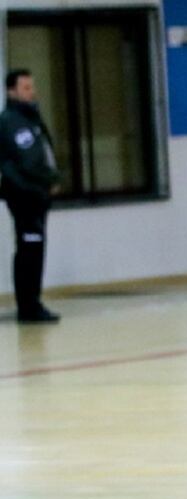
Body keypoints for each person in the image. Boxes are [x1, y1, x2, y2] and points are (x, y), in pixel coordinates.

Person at [0, 69, 60, 323]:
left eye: (32, 87)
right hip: (24, 194)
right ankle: (29, 307)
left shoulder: (29, 117)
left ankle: (31, 302)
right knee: (29, 249)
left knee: (33, 249)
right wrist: (51, 180)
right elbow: (30, 161)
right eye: (25, 88)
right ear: (11, 91)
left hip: (35, 194)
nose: (31, 92)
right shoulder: (12, 121)